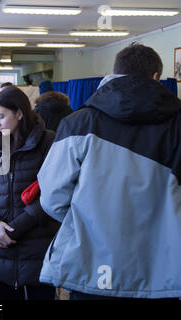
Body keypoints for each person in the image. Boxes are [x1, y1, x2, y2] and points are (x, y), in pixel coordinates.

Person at [37, 43, 181, 300]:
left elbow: (52, 197)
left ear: (114, 72)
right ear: (156, 77)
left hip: (91, 266)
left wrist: (88, 223)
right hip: (162, 272)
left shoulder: (78, 122)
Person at [0, 86, 60, 300]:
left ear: (19, 113)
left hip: (36, 244)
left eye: (0, 116)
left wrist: (13, 230)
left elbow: (53, 195)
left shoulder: (49, 142)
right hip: (0, 243)